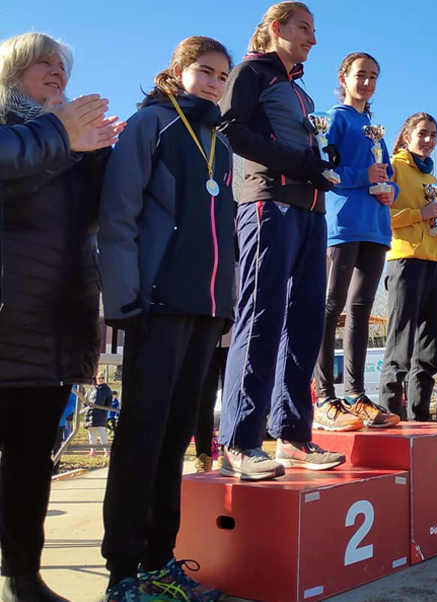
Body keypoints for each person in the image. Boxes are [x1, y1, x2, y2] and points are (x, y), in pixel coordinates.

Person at [98, 36, 236, 602]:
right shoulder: (149, 125)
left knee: (179, 436)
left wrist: (224, 305)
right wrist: (123, 299)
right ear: (177, 71)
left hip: (205, 311)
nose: (213, 83)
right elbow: (118, 214)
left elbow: (225, 235)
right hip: (154, 306)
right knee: (142, 435)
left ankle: (160, 561)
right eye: (204, 71)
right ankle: (122, 573)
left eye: (223, 76)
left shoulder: (220, 147)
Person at [0, 32, 121, 602]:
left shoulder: (66, 141)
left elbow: (94, 222)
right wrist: (60, 134)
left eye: (63, 66)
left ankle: (22, 576)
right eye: (43, 63)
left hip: (49, 324)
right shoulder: (11, 125)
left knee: (30, 465)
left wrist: (96, 156)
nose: (57, 72)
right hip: (7, 315)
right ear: (14, 70)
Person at [218, 2, 346, 479]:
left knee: (307, 321)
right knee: (262, 315)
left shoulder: (301, 93)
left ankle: (292, 435)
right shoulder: (253, 71)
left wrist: (320, 160)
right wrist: (297, 164)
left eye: (315, 30)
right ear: (276, 29)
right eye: (304, 28)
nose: (313, 38)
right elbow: (232, 130)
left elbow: (301, 147)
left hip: (312, 210)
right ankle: (240, 440)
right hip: (266, 202)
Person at [313, 52, 399, 429]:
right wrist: (362, 175)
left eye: (373, 77)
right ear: (344, 77)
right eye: (360, 75)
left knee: (362, 313)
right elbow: (323, 168)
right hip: (343, 224)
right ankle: (324, 395)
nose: (367, 82)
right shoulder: (335, 119)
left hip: (376, 228)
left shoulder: (373, 127)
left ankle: (355, 394)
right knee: (330, 308)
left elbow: (388, 175)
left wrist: (390, 190)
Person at [378, 112, 437, 421]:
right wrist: (418, 214)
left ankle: (420, 417)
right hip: (405, 260)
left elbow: (431, 217)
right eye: (422, 133)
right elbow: (382, 215)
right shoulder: (394, 166)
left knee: (428, 350)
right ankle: (389, 412)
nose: (428, 140)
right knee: (400, 342)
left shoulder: (432, 178)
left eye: (433, 135)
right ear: (407, 135)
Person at [194, 335, 229, 472]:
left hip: (234, 340)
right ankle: (203, 455)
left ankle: (226, 453)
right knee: (202, 401)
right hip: (205, 339)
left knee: (230, 401)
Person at [85, 375, 112, 458]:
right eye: (99, 377)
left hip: (101, 414)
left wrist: (104, 411)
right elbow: (85, 401)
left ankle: (107, 451)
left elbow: (108, 403)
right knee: (91, 434)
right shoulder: (91, 389)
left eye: (102, 377)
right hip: (90, 414)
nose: (100, 379)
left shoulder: (107, 390)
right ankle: (93, 451)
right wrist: (86, 409)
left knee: (102, 433)